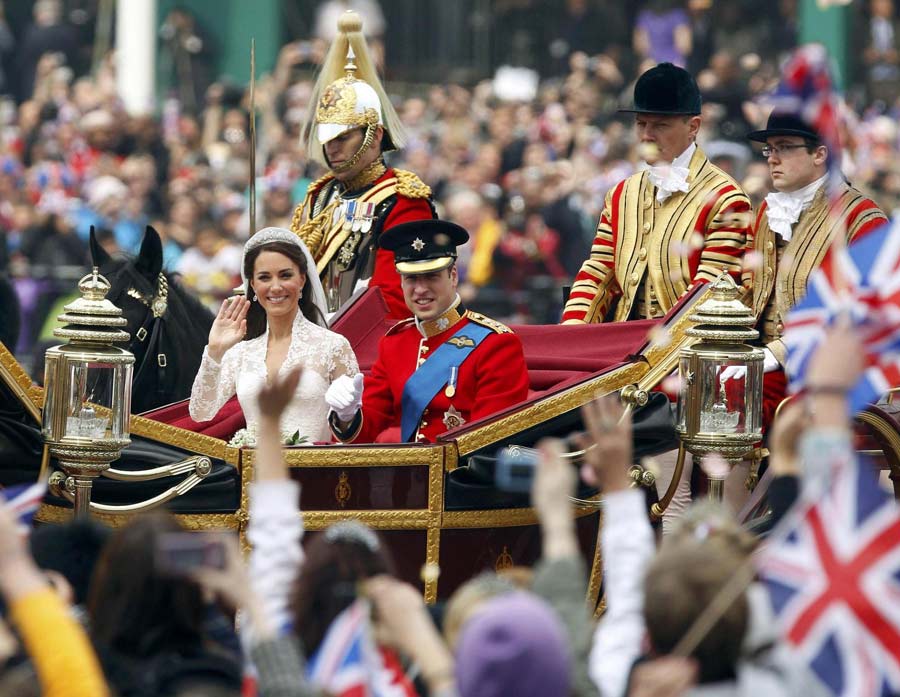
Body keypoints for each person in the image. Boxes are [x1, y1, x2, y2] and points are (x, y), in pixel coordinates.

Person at [562, 62, 752, 324]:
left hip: (685, 350)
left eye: (660, 125)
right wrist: (573, 335)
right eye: (641, 124)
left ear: (693, 127)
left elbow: (709, 293)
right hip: (621, 345)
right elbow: (597, 274)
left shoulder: (726, 199)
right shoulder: (621, 194)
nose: (647, 136)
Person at [325, 219, 530, 444]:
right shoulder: (394, 342)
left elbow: (489, 440)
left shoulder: (495, 344)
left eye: (431, 276)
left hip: (460, 475)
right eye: (411, 278)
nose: (421, 289)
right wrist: (348, 416)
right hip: (405, 473)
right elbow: (369, 426)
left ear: (453, 276)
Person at [741, 111, 887, 424]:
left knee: (738, 404)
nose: (772, 159)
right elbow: (751, 290)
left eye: (784, 147)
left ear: (820, 153)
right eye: (769, 149)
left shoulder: (861, 218)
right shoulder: (768, 210)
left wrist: (777, 354)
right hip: (763, 361)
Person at [290, 10, 435, 319]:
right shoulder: (319, 195)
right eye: (328, 138)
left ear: (375, 134)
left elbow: (392, 300)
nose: (332, 147)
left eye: (343, 137)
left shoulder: (402, 200)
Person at [189, 227, 359, 444]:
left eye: (285, 275)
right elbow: (201, 413)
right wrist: (214, 351)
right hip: (254, 474)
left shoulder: (333, 346)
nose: (276, 287)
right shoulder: (242, 352)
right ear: (253, 285)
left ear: (302, 280)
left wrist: (347, 414)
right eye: (264, 277)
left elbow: (351, 433)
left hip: (315, 473)